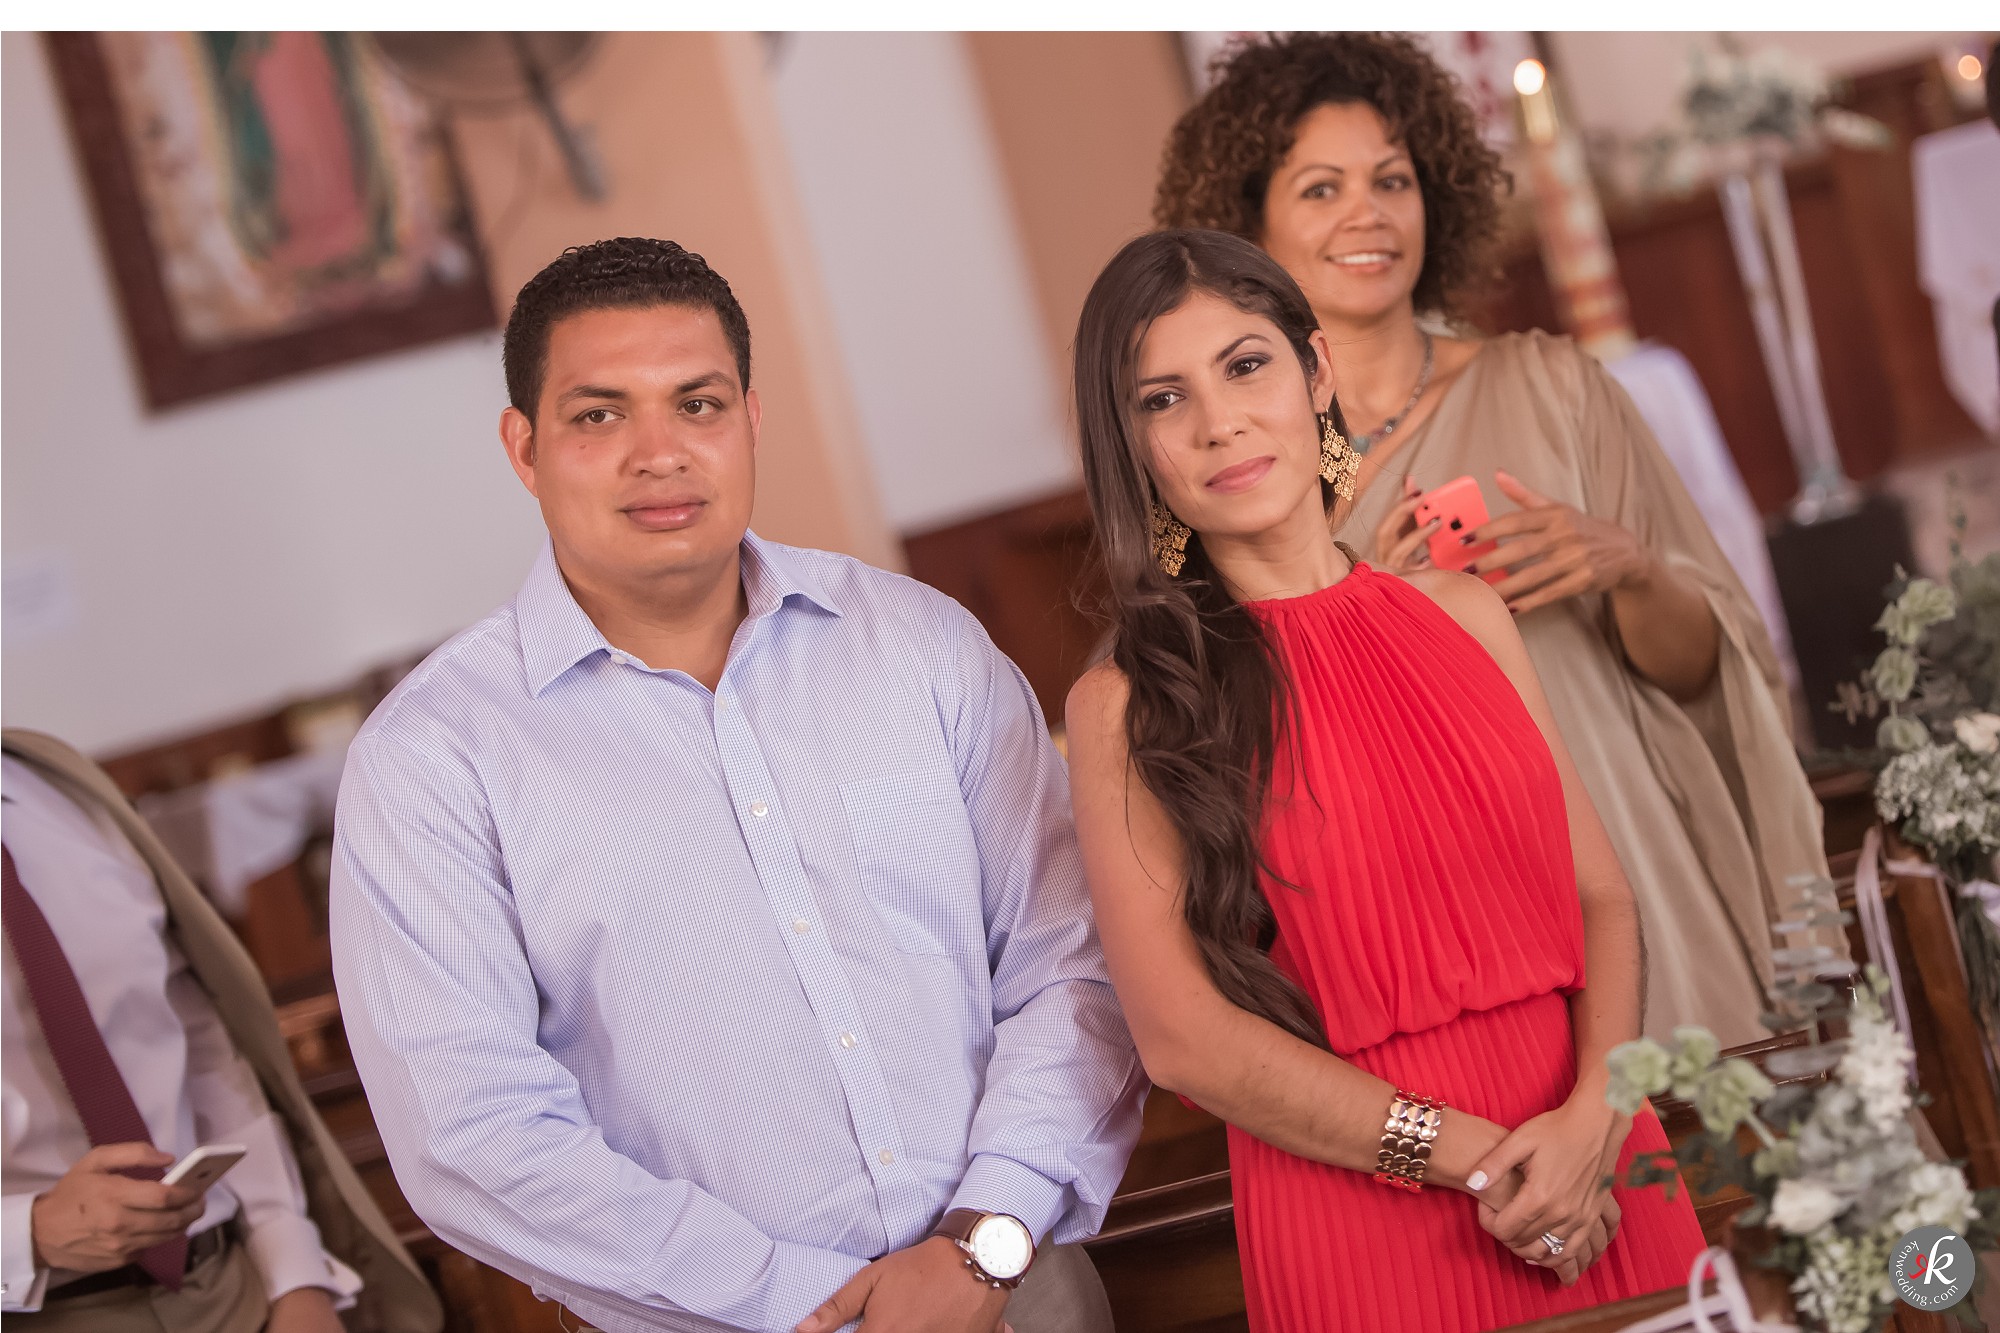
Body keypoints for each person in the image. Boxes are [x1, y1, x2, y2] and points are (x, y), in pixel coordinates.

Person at [329, 237, 1145, 1333]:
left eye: (698, 404)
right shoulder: (431, 758)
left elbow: (1071, 962)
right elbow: (472, 1131)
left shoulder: (918, 645)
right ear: (524, 446)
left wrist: (982, 1237)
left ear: (750, 420)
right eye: (599, 414)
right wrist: (795, 1300)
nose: (659, 453)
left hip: (1016, 1290)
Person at [1063, 228, 1705, 1332]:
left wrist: (1598, 1115)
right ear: (1131, 445)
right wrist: (1473, 1159)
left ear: (1315, 372)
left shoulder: (1468, 614)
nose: (1219, 422)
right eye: (1162, 398)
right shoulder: (1125, 705)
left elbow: (1601, 896)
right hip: (1369, 1212)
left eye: (1245, 365)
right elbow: (1182, 1038)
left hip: (1594, 1165)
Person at [1154, 31, 1832, 1047]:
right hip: (1439, 922)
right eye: (1321, 188)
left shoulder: (1556, 387)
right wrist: (1374, 621)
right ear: (1246, 227)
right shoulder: (1246, 479)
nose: (1368, 214)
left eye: (1392, 180)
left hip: (1630, 850)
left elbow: (1706, 675)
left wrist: (1629, 570)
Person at [1, 728, 440, 1333]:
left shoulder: (52, 786)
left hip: (231, 1287)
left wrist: (295, 1275)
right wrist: (28, 1235)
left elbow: (200, 1045)